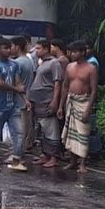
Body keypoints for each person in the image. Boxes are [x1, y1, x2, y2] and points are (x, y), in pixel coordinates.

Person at [0, 39, 27, 171]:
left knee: (19, 133)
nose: (8, 50)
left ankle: (16, 160)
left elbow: (18, 82)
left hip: (12, 105)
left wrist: (25, 99)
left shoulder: (14, 64)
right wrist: (17, 89)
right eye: (5, 48)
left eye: (10, 48)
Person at [62, 40, 98, 173]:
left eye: (75, 51)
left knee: (83, 133)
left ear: (83, 52)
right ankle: (73, 161)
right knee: (71, 133)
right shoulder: (69, 67)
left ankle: (83, 163)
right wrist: (61, 105)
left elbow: (94, 89)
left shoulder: (91, 68)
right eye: (71, 52)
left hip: (84, 101)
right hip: (71, 101)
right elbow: (65, 86)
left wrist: (88, 109)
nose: (72, 54)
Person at [30, 39, 65, 168]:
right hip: (38, 101)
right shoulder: (42, 63)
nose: (36, 51)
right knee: (42, 129)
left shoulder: (54, 63)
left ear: (45, 49)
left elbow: (57, 83)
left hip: (47, 100)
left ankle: (54, 157)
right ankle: (45, 154)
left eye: (38, 48)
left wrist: (55, 101)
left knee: (51, 129)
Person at [11, 35, 37, 158]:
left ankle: (17, 154)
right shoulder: (28, 60)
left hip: (19, 100)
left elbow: (16, 83)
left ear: (17, 47)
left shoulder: (17, 63)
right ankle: (23, 149)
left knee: (19, 130)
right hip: (27, 97)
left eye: (11, 46)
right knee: (26, 128)